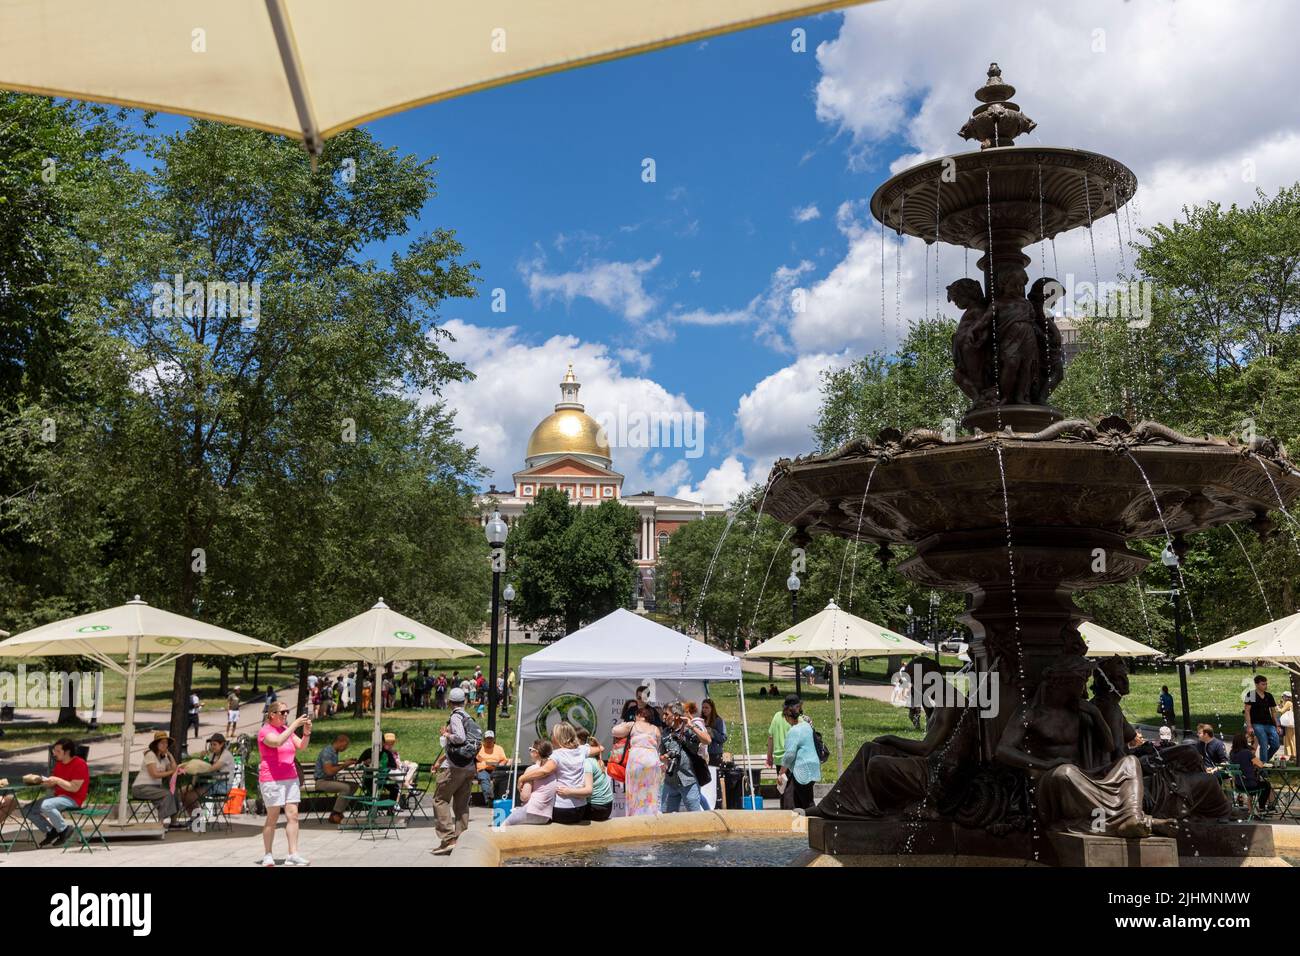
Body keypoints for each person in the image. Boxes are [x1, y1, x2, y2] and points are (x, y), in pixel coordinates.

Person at [257, 700, 312, 866]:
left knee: (293, 815)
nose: (286, 714)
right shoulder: (265, 731)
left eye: (287, 712)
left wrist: (306, 733)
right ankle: (268, 854)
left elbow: (301, 746)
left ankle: (293, 854)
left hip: (290, 777)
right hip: (271, 779)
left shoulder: (285, 729)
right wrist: (295, 725)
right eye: (282, 712)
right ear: (272, 714)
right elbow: (277, 742)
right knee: (272, 817)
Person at [431, 687, 480, 855]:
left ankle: (448, 839)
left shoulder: (455, 717)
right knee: (461, 805)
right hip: (469, 766)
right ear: (464, 701)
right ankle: (461, 840)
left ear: (450, 702)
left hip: (456, 767)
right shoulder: (469, 717)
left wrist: (447, 735)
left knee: (440, 800)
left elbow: (460, 738)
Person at [24, 739, 90, 848]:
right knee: (27, 809)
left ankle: (64, 829)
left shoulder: (80, 764)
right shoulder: (59, 764)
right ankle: (50, 831)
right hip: (58, 797)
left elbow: (74, 788)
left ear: (67, 752)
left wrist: (57, 780)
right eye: (54, 751)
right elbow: (55, 784)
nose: (54, 754)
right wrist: (44, 782)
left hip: (73, 799)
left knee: (46, 805)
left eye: (58, 751)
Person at [613, 700, 662, 816]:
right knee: (651, 791)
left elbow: (614, 731)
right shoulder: (655, 728)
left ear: (639, 715)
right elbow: (658, 745)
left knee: (634, 791)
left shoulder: (633, 725)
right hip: (652, 761)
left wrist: (626, 724)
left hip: (637, 761)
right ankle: (651, 816)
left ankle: (635, 816)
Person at [659, 704, 708, 813]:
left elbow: (707, 740)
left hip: (688, 781)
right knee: (666, 817)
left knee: (695, 816)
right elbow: (661, 755)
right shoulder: (665, 733)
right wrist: (666, 757)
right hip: (670, 782)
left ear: (676, 715)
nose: (663, 717)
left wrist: (692, 726)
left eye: (666, 714)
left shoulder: (688, 729)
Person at [132, 730, 183, 826]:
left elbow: (174, 769)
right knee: (167, 794)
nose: (165, 745)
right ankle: (160, 823)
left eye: (166, 743)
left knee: (174, 793)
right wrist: (171, 772)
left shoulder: (164, 758)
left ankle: (173, 822)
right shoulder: (150, 755)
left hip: (155, 789)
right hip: (141, 788)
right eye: (162, 743)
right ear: (156, 744)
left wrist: (170, 755)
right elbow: (154, 774)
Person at [778, 702, 822, 811]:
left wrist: (781, 772)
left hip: (802, 770)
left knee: (807, 803)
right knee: (801, 800)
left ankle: (815, 818)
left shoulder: (794, 731)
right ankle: (804, 818)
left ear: (788, 717)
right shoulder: (807, 726)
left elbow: (789, 754)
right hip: (813, 767)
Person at [180, 733, 236, 815]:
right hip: (211, 783)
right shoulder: (213, 755)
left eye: (215, 744)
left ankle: (196, 817)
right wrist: (202, 758)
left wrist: (197, 768)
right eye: (211, 744)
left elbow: (211, 768)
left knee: (190, 796)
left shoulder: (226, 755)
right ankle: (194, 817)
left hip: (223, 785)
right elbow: (205, 767)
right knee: (182, 792)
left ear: (222, 744)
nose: (212, 747)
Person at [549, 722, 594, 824]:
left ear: (557, 737)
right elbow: (600, 748)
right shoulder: (582, 750)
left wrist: (523, 778)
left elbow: (544, 771)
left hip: (561, 808)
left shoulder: (555, 755)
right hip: (581, 809)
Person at [504, 740, 556, 826]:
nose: (529, 752)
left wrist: (519, 790)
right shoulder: (552, 769)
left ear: (536, 753)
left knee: (502, 824)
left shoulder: (531, 770)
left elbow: (525, 797)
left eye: (530, 750)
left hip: (531, 811)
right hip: (546, 816)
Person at [567, 727, 614, 821]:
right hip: (606, 806)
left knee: (566, 812)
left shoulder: (586, 761)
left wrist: (568, 791)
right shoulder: (591, 753)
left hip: (598, 808)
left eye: (570, 740)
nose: (568, 743)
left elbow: (588, 790)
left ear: (577, 740)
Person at [315, 733, 358, 825]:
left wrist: (346, 763)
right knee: (345, 788)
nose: (345, 748)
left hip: (330, 780)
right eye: (345, 745)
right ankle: (335, 814)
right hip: (322, 781)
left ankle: (340, 811)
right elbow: (329, 771)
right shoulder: (327, 752)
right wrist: (344, 765)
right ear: (340, 742)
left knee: (354, 785)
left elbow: (332, 768)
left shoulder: (334, 752)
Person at [1229, 730, 1272, 814]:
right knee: (1266, 785)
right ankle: (1262, 808)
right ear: (1244, 742)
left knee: (1258, 783)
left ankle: (1252, 810)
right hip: (1249, 784)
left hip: (1238, 785)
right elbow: (1260, 764)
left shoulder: (1232, 753)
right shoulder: (1247, 753)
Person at [1245, 675, 1282, 763]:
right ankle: (1263, 766)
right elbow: (1247, 711)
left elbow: (1273, 711)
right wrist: (1249, 726)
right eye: (1263, 684)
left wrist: (1277, 725)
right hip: (1257, 723)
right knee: (1264, 744)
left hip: (1269, 724)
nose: (1265, 686)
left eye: (1266, 684)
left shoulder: (1269, 696)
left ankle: (1262, 762)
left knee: (1276, 744)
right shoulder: (1251, 694)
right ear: (1256, 684)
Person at [766, 694, 800, 770]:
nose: (799, 708)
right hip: (792, 760)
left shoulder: (777, 716)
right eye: (798, 706)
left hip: (779, 761)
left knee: (782, 777)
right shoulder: (797, 720)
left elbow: (770, 737)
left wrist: (769, 756)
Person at [475, 730, 510, 803]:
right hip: (483, 770)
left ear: (494, 739)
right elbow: (475, 759)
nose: (489, 740)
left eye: (491, 738)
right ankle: (489, 800)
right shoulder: (479, 748)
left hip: (495, 769)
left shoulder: (499, 748)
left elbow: (504, 760)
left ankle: (499, 798)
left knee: (502, 778)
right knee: (484, 778)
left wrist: (500, 765)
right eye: (487, 738)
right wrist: (485, 764)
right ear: (484, 739)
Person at [701, 698, 728, 766]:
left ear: (712, 708)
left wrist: (711, 731)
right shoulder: (701, 720)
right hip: (702, 753)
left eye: (706, 707)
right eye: (703, 707)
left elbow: (723, 738)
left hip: (714, 754)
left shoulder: (719, 721)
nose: (704, 710)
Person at [1281, 691, 1296, 761]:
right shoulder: (1291, 703)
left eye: (1283, 696)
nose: (1282, 698)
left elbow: (1282, 711)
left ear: (1286, 697)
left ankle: (1293, 755)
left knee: (1290, 739)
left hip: (1289, 725)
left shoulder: (1288, 703)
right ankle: (1292, 755)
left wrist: (1276, 708)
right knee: (1291, 739)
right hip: (1290, 724)